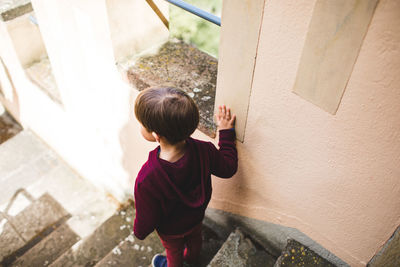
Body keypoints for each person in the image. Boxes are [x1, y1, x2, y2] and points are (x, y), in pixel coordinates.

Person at [133, 87, 237, 267]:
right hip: (196, 219)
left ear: (156, 136)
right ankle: (193, 260)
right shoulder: (205, 150)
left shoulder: (147, 179)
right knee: (195, 241)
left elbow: (146, 218)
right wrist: (226, 133)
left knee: (173, 253)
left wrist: (139, 232)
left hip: (171, 230)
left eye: (142, 124)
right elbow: (228, 168)